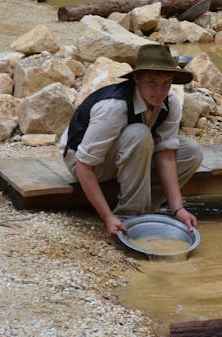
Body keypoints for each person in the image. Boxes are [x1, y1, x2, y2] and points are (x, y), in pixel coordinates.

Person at [58, 44, 203, 238]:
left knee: (191, 151)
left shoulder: (170, 102)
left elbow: (166, 156)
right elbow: (84, 166)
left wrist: (178, 209)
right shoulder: (114, 107)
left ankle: (148, 208)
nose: (160, 91)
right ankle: (128, 217)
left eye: (166, 83)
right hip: (85, 162)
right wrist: (107, 217)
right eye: (152, 82)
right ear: (137, 78)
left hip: (125, 152)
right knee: (139, 134)